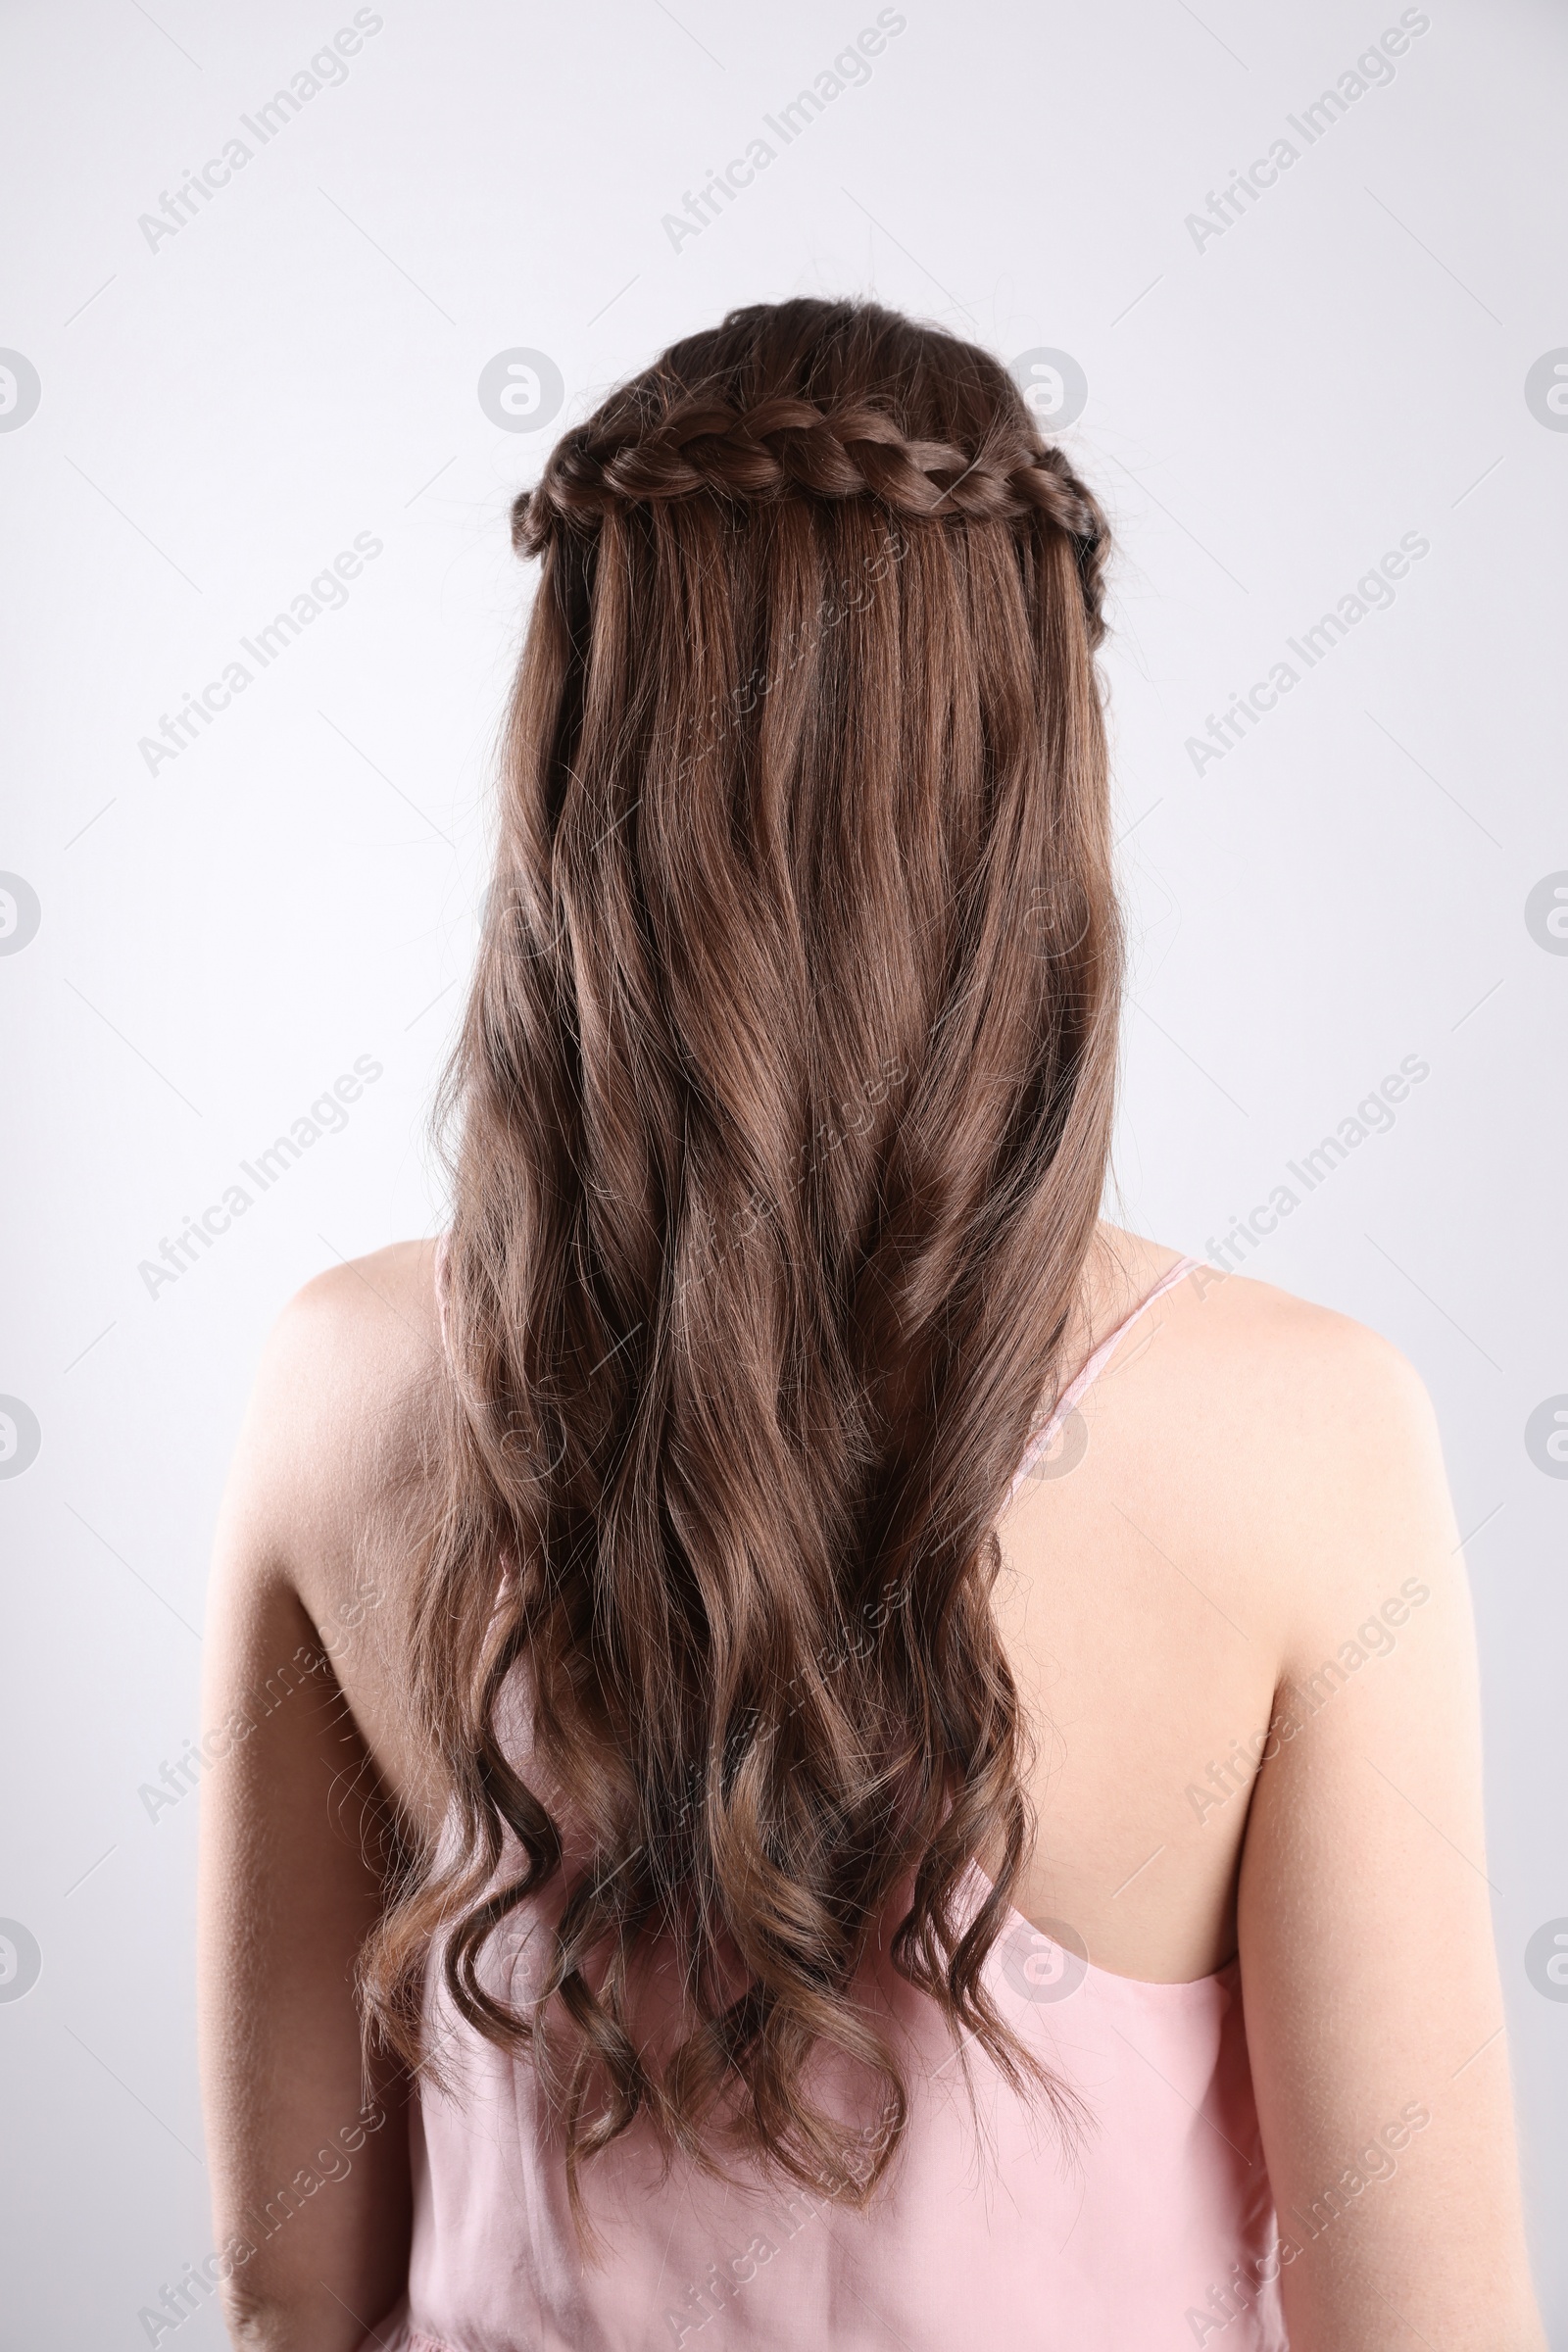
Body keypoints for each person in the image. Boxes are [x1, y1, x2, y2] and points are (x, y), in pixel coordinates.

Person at [196, 298, 1544, 2351]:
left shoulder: (339, 1391)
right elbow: (1424, 2323)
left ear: (574, 774)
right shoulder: (1305, 1443)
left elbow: (296, 2293)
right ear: (1026, 795)